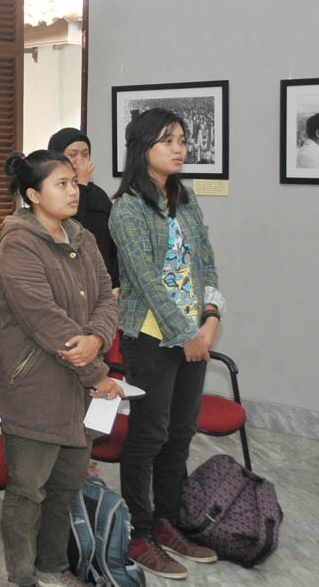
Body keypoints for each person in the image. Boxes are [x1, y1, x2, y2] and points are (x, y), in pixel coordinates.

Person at [0, 149, 121, 587]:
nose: (73, 191)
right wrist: (95, 370)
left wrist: (97, 339)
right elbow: (45, 320)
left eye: (73, 182)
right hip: (34, 387)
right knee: (28, 490)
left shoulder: (82, 238)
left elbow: (107, 297)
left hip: (77, 389)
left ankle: (53, 565)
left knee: (66, 484)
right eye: (61, 184)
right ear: (33, 195)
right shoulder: (18, 243)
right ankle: (21, 575)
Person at [109, 108, 225, 579]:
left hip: (194, 336)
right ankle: (139, 534)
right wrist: (187, 336)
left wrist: (211, 318)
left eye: (182, 140)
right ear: (143, 149)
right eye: (168, 141)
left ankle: (167, 522)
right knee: (148, 437)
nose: (180, 148)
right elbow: (147, 283)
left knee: (179, 434)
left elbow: (207, 263)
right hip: (152, 339)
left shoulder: (186, 198)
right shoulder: (127, 209)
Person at [48, 127, 120, 291]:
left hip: (102, 283)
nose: (79, 161)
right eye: (72, 154)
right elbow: (71, 231)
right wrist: (80, 185)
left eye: (85, 154)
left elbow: (113, 245)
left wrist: (115, 285)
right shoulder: (50, 196)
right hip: (69, 283)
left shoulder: (98, 195)